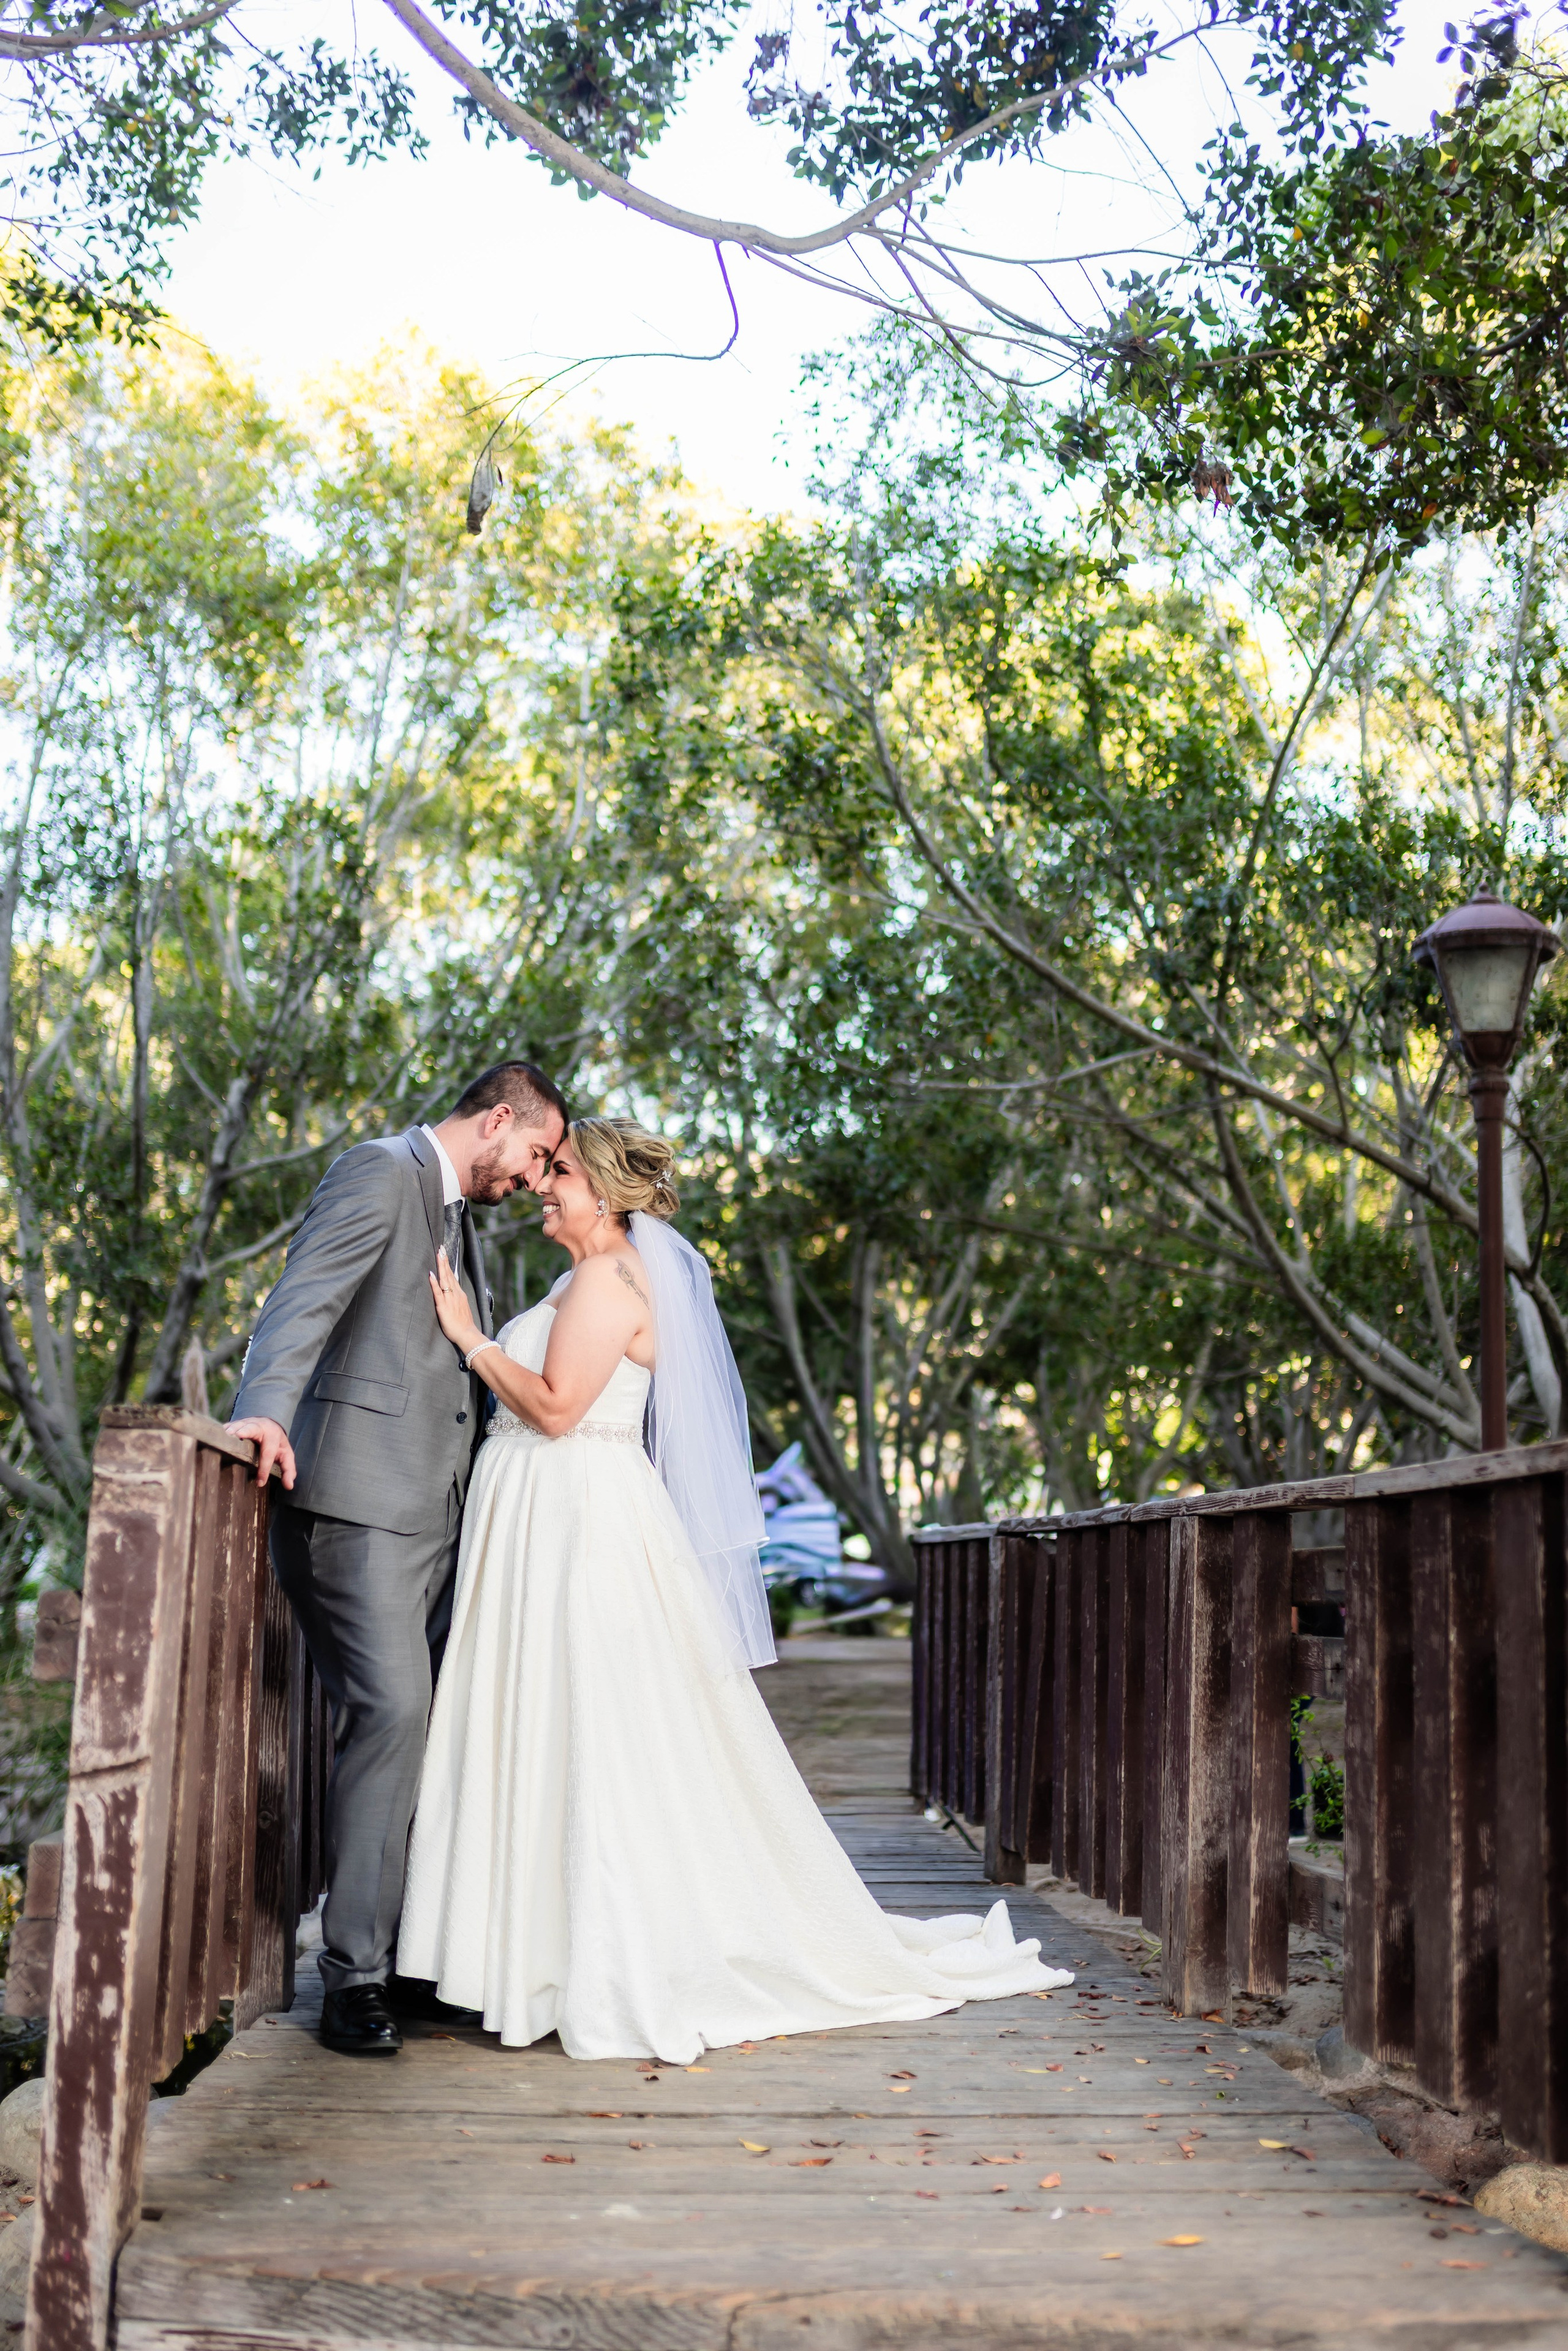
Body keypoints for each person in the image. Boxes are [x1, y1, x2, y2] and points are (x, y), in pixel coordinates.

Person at [399, 1114, 1071, 2061]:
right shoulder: (585, 1274)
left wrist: (470, 1337)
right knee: (554, 1728)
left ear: (605, 1190)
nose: (543, 1187)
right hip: (552, 1524)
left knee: (582, 1727)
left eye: (560, 1174)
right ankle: (525, 1949)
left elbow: (554, 1409)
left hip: (577, 1526)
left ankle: (567, 1955)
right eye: (546, 1171)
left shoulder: (607, 1278)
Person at [227, 1062, 568, 2055]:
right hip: (355, 1506)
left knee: (430, 1723)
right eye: (538, 1155)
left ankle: (414, 1959)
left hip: (433, 1515)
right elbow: (304, 1296)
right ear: (498, 1120)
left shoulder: (458, 1214)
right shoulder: (379, 1171)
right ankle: (353, 1981)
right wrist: (264, 1408)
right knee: (393, 1711)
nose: (536, 1179)